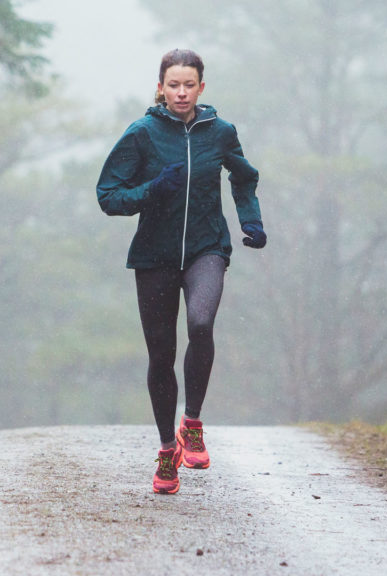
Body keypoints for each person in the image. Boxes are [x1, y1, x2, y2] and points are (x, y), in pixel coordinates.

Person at [96, 49, 265, 494]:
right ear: (160, 87)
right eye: (174, 84)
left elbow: (243, 176)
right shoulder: (142, 134)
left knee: (201, 324)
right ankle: (167, 448)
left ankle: (192, 422)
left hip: (207, 248)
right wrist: (154, 189)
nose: (182, 92)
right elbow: (108, 196)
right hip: (154, 256)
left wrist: (251, 220)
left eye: (189, 84)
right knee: (160, 355)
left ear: (201, 88)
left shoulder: (221, 133)